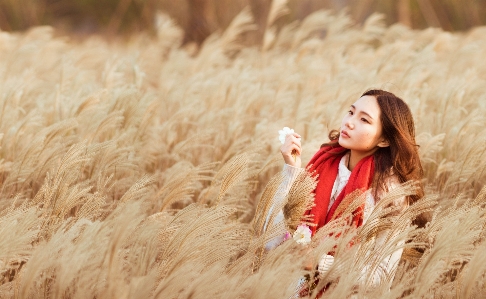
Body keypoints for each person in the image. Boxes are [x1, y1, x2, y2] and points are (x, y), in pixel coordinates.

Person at [266, 89, 426, 291]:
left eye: (364, 120)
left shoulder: (389, 194)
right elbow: (270, 241)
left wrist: (319, 262)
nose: (349, 122)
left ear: (384, 140)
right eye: (351, 112)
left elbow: (381, 276)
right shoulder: (321, 167)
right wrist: (292, 171)